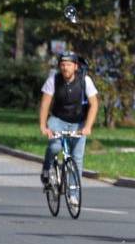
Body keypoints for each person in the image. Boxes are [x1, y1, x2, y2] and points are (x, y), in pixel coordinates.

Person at [36, 51, 98, 184]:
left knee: (77, 158)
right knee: (54, 147)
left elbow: (94, 104)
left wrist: (88, 126)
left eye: (69, 64)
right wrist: (43, 126)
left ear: (75, 66)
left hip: (78, 122)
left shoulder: (85, 80)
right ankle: (46, 168)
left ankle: (74, 196)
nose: (65, 68)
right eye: (63, 64)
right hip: (58, 120)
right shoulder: (54, 80)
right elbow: (45, 103)